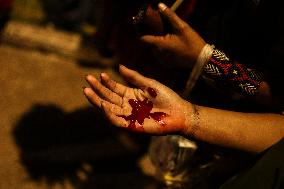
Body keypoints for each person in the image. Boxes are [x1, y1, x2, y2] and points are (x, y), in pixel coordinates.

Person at [83, 2, 284, 188]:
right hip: (206, 103)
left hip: (247, 138)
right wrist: (188, 114)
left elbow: (279, 95)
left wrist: (205, 59)